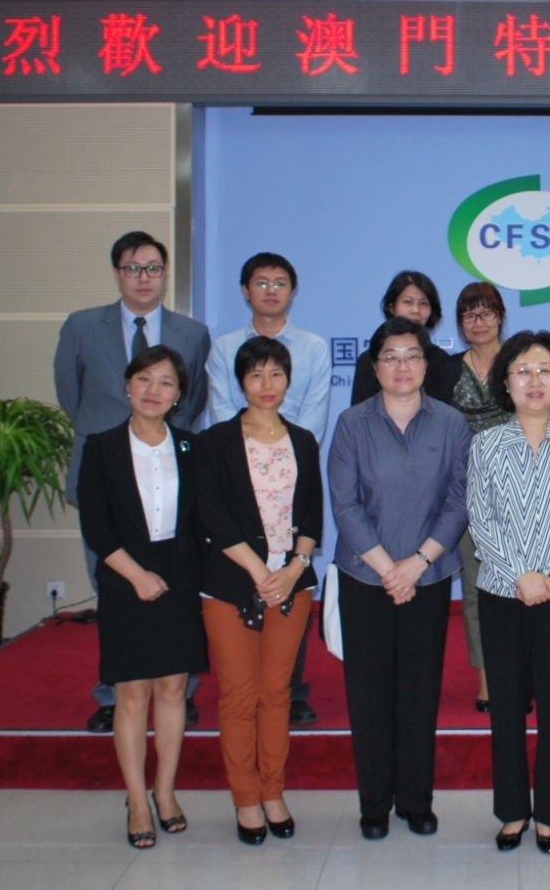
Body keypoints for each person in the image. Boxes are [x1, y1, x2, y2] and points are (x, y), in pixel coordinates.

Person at [55, 230, 210, 733]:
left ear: (165, 274)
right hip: (108, 474)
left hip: (168, 469)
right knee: (112, 582)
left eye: (153, 268)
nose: (143, 278)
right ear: (117, 273)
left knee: (180, 583)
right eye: (132, 268)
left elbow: (193, 401)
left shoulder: (193, 332)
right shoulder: (82, 326)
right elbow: (70, 396)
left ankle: (179, 690)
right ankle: (115, 692)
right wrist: (112, 448)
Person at [328, 316, 473, 841]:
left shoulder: (451, 423)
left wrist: (418, 562)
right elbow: (345, 504)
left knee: (419, 692)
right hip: (364, 579)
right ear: (375, 367)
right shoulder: (352, 424)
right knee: (368, 695)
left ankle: (415, 801)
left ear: (426, 363)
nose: (402, 366)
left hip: (427, 579)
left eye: (412, 355)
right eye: (390, 357)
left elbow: (459, 499)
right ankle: (374, 804)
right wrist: (389, 568)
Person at [468, 331, 550, 855]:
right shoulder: (485, 444)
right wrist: (519, 575)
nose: (534, 380)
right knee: (505, 705)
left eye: (544, 370)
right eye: (522, 371)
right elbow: (480, 520)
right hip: (502, 594)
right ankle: (511, 810)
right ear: (505, 383)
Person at [76, 345, 208, 849]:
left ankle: (165, 791)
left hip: (180, 579)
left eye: (166, 382)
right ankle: (136, 800)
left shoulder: (192, 448)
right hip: (124, 578)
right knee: (132, 695)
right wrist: (136, 575)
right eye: (145, 379)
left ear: (179, 396)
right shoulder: (101, 447)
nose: (154, 390)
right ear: (128, 386)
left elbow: (201, 520)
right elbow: (96, 525)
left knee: (173, 690)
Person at [196, 336, 322, 846]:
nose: (266, 384)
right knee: (238, 695)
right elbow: (210, 513)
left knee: (276, 693)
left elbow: (312, 515)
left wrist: (293, 569)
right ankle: (245, 797)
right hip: (232, 584)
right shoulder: (215, 441)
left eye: (276, 374)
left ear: (288, 380)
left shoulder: (304, 440)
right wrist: (257, 571)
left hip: (292, 586)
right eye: (255, 374)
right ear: (240, 381)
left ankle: (273, 791)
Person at [206, 252, 329, 727]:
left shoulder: (313, 347)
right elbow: (222, 409)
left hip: (292, 471)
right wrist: (246, 451)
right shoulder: (224, 348)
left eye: (280, 283)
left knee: (291, 587)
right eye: (261, 282)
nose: (271, 290)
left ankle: (289, 690)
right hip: (237, 473)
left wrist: (287, 449)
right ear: (245, 290)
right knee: (242, 593)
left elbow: (313, 416)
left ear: (292, 291)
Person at [437, 282, 511, 712]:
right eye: (469, 314)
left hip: (521, 492)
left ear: (500, 316)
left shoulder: (521, 361)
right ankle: (487, 679)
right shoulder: (446, 370)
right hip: (466, 493)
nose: (478, 322)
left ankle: (521, 673)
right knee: (476, 589)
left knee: (523, 585)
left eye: (486, 312)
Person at [351, 270, 453, 404]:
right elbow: (360, 413)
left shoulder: (441, 360)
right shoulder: (369, 360)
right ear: (392, 308)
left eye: (423, 303)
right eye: (408, 302)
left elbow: (446, 413)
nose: (416, 310)